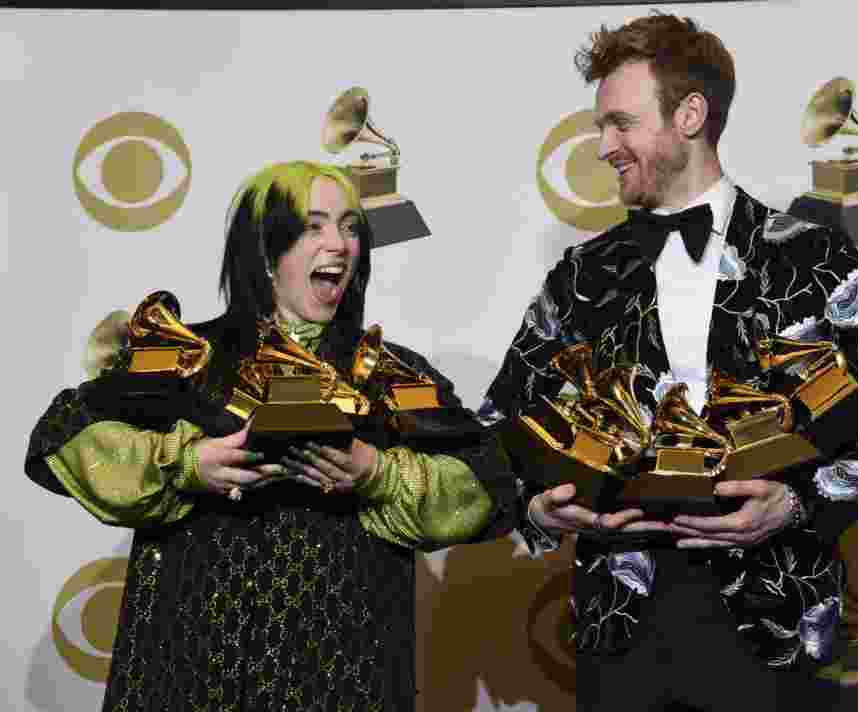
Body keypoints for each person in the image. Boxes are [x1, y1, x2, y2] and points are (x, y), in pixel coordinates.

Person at [481, 13, 858, 711]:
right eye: (600, 128)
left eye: (620, 124)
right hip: (621, 631)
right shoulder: (582, 275)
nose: (604, 147)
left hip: (774, 625)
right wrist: (537, 509)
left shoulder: (808, 254)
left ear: (689, 115)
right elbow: (499, 425)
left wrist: (800, 503)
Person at [25, 160, 516, 711]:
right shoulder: (186, 355)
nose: (340, 244)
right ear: (264, 248)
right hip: (188, 670)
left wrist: (376, 473)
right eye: (314, 226)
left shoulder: (392, 375)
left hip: (345, 677)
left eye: (351, 226)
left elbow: (487, 484)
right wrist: (187, 463)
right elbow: (65, 434)